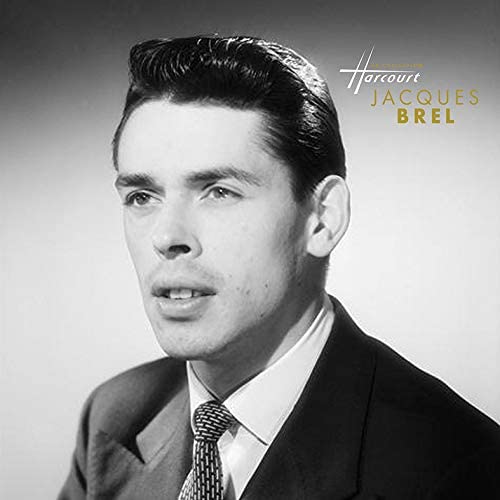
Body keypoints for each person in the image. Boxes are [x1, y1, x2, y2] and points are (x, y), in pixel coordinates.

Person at [59, 36, 500, 500]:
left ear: (322, 218)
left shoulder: (460, 471)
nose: (166, 236)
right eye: (141, 197)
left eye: (219, 192)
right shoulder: (112, 417)